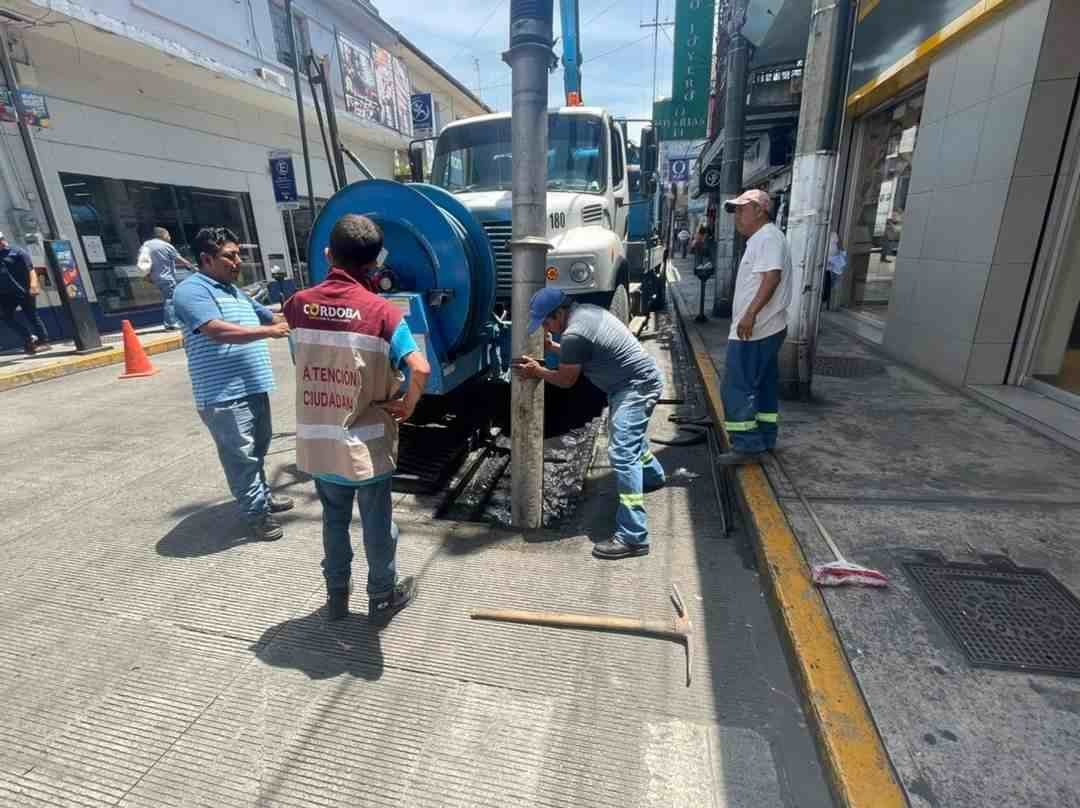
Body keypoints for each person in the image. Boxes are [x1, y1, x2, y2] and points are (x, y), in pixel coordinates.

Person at [284, 214, 431, 624]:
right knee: (377, 526)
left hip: (321, 440)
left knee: (333, 521)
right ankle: (382, 596)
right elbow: (420, 369)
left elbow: (303, 356)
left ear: (329, 254)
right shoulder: (383, 313)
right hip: (367, 446)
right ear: (373, 266)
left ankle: (336, 598)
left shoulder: (297, 305)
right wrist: (408, 403)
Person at [514, 289, 666, 560]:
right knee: (629, 438)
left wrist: (536, 372)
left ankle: (634, 537)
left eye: (547, 323)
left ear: (559, 313)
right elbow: (583, 355)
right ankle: (652, 476)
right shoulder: (586, 314)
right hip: (631, 382)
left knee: (622, 452)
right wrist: (552, 349)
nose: (547, 329)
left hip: (636, 386)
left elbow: (566, 379)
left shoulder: (574, 334)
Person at [173, 227, 293, 541]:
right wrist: (270, 333)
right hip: (223, 394)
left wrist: (306, 307)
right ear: (206, 258)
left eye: (239, 254)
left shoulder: (234, 291)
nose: (237, 262)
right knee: (241, 457)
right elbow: (216, 330)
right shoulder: (191, 290)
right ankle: (256, 514)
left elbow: (271, 317)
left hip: (253, 387)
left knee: (258, 449)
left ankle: (262, 496)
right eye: (230, 256)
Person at [717, 189, 793, 465]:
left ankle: (748, 447)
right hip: (764, 327)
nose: (737, 217)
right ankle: (764, 437)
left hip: (756, 329)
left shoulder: (767, 238)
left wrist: (749, 315)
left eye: (741, 210)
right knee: (762, 386)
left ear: (760, 210)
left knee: (736, 387)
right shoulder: (763, 238)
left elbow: (771, 278)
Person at [0, 232, 50, 354]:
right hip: (6, 294)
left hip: (24, 291)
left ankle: (43, 341)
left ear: (2, 239)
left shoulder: (17, 252)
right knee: (6, 317)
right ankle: (28, 337)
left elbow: (30, 269)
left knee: (32, 316)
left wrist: (34, 284)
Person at [138, 227, 196, 330]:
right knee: (171, 300)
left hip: (155, 278)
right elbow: (179, 259)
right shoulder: (166, 246)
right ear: (163, 235)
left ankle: (174, 321)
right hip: (167, 278)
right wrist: (192, 267)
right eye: (168, 235)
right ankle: (171, 323)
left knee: (169, 298)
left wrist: (146, 276)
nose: (170, 237)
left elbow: (144, 261)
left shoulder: (147, 245)